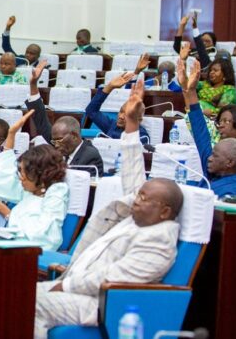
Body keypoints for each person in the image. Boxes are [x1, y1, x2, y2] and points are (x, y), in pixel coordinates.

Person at [34, 79, 184, 337]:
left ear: (165, 212)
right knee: (11, 290)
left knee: (26, 302)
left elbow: (115, 278)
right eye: (141, 195)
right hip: (76, 287)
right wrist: (133, 126)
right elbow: (133, 173)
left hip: (100, 305)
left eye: (146, 199)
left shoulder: (159, 240)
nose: (137, 199)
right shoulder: (137, 218)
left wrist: (67, 283)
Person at [0, 143, 69, 250]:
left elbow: (39, 236)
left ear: (39, 175)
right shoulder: (31, 190)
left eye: (24, 175)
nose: (20, 178)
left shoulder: (56, 193)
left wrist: (4, 211)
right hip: (13, 245)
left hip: (35, 252)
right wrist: (11, 134)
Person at [177, 59, 236, 197]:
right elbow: (200, 131)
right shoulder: (214, 167)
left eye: (214, 155)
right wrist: (190, 90)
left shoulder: (232, 192)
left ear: (229, 162)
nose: (209, 158)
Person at [85, 72, 150, 144]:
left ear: (139, 120)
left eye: (127, 114)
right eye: (121, 111)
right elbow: (91, 111)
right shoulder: (112, 125)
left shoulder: (142, 136)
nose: (121, 117)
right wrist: (109, 87)